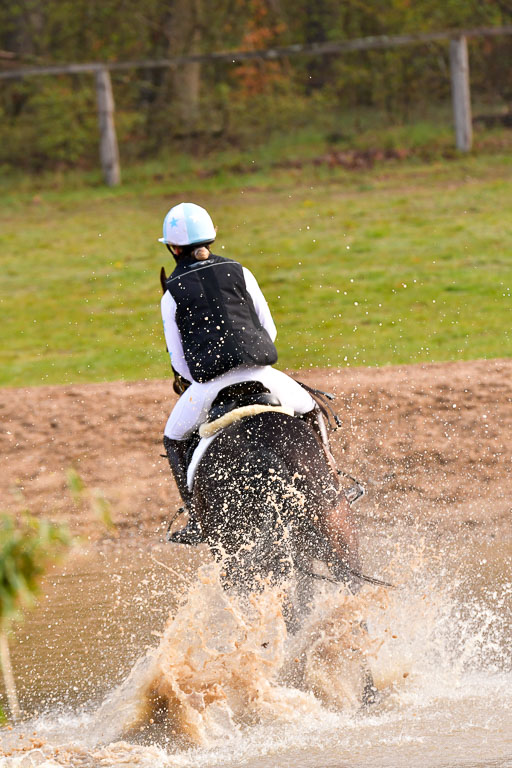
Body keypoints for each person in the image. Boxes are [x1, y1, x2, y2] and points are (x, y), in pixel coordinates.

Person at [159, 202, 343, 546]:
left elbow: (180, 362)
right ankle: (333, 485)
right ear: (211, 238)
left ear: (172, 247)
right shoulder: (239, 271)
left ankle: (197, 519)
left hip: (209, 387)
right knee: (313, 410)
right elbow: (268, 329)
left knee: (173, 438)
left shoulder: (171, 293)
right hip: (264, 374)